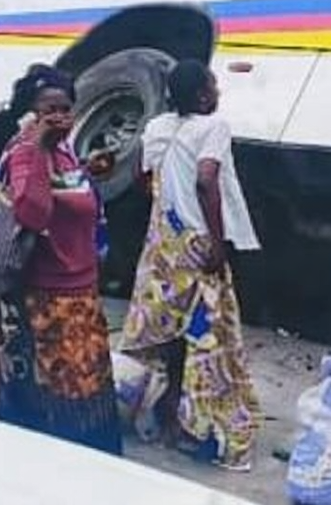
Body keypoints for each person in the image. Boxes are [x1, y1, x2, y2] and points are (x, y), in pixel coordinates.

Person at [119, 60, 263, 471]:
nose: (218, 92)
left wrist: (171, 205)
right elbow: (206, 180)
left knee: (168, 332)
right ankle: (194, 429)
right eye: (214, 85)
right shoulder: (213, 126)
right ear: (202, 95)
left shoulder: (158, 127)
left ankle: (163, 412)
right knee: (209, 339)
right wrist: (217, 242)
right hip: (198, 245)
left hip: (164, 244)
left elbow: (143, 179)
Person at [0, 64, 122, 456]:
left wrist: (85, 172)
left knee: (86, 386)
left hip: (80, 290)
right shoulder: (25, 153)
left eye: (66, 109)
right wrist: (39, 147)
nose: (61, 117)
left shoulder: (65, 151)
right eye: (51, 110)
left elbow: (71, 200)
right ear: (32, 113)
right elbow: (32, 213)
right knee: (60, 389)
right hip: (47, 297)